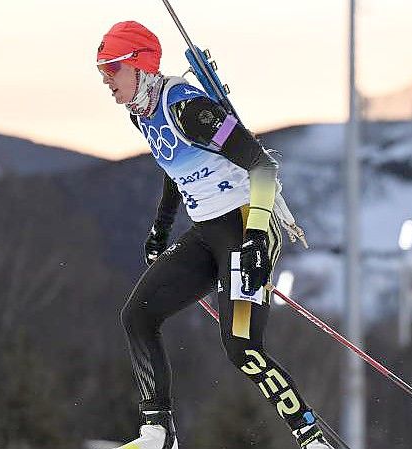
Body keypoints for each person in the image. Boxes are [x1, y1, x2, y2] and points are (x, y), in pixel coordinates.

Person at [95, 21, 330, 449]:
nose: (106, 81)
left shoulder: (189, 109)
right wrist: (159, 230)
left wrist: (258, 237)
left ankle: (312, 438)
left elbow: (262, 166)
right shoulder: (141, 112)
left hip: (246, 225)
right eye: (101, 72)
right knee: (138, 316)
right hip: (208, 231)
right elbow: (173, 165)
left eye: (111, 69)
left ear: (139, 65)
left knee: (241, 346)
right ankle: (159, 432)